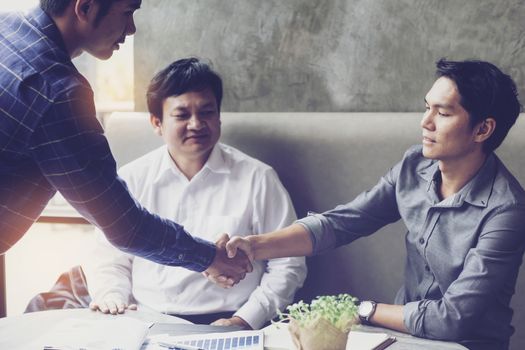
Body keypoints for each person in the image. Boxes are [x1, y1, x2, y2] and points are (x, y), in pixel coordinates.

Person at [221, 59, 524, 350]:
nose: (425, 122)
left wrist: (362, 310)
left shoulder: (507, 210)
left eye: (442, 113)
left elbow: (452, 318)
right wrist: (253, 246)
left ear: (482, 130)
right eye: (426, 107)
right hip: (402, 339)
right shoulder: (413, 165)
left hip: (465, 346)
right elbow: (341, 223)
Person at [0, 0, 250, 281]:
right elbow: (124, 225)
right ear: (85, 8)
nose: (131, 29)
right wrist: (209, 257)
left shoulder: (5, 26)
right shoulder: (57, 90)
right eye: (127, 13)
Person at [84, 58, 306, 329]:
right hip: (146, 322)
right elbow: (108, 258)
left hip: (230, 322)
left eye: (207, 112)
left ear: (219, 116)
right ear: (157, 123)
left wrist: (244, 320)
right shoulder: (131, 179)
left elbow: (289, 262)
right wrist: (114, 300)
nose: (196, 124)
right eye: (182, 115)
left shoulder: (258, 178)